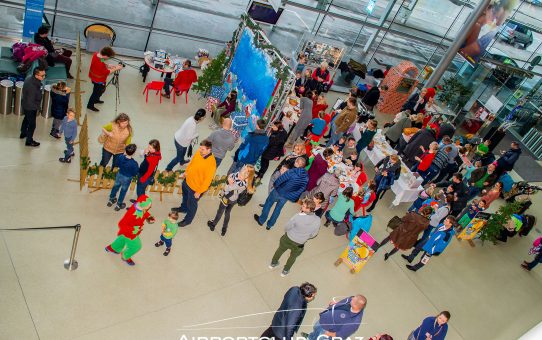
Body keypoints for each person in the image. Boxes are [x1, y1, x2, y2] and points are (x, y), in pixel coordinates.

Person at [269, 198, 321, 276]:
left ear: (308, 209)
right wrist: (305, 237)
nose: (301, 206)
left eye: (303, 206)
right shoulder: (317, 220)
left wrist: (288, 232)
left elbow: (287, 226)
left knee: (280, 250)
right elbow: (314, 234)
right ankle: (285, 271)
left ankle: (273, 263)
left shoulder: (298, 216)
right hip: (300, 243)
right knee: (293, 257)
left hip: (288, 238)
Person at [255, 157, 308, 230]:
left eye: (295, 162)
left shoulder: (292, 171)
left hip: (278, 192)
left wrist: (275, 185)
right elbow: (303, 188)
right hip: (287, 196)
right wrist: (293, 195)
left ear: (297, 163)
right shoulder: (306, 176)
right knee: (278, 209)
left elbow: (281, 179)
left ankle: (261, 220)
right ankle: (269, 225)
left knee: (268, 204)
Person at [172, 139, 216, 227]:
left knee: (192, 205)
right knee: (185, 197)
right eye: (200, 148)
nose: (200, 150)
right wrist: (186, 172)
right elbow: (192, 163)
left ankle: (187, 220)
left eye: (202, 149)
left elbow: (207, 181)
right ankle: (183, 208)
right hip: (187, 181)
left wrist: (199, 191)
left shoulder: (211, 163)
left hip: (196, 188)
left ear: (209, 150)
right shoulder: (199, 153)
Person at [105, 194, 156, 266]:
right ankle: (125, 256)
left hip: (130, 231)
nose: (150, 206)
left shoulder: (138, 205)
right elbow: (121, 224)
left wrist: (149, 217)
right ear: (142, 205)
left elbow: (144, 211)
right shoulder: (131, 214)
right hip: (130, 233)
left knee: (122, 238)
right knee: (136, 246)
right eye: (149, 205)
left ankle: (113, 248)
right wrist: (133, 230)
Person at [207, 165, 255, 236]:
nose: (243, 171)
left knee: (220, 211)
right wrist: (230, 178)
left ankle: (213, 224)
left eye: (245, 171)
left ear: (248, 175)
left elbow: (226, 188)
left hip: (227, 198)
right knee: (228, 212)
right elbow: (232, 175)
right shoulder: (245, 179)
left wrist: (229, 182)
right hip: (234, 199)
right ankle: (224, 228)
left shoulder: (241, 183)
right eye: (243, 169)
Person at [87, 46, 124, 111]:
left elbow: (101, 60)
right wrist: (116, 68)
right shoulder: (100, 64)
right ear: (106, 55)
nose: (108, 58)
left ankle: (96, 100)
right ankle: (90, 105)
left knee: (98, 91)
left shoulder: (96, 54)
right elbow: (107, 72)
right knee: (96, 92)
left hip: (94, 77)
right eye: (108, 57)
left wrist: (107, 65)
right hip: (98, 80)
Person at [107, 144, 139, 211]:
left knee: (115, 187)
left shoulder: (120, 157)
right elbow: (135, 172)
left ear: (125, 150)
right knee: (123, 191)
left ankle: (111, 200)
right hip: (127, 178)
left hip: (119, 174)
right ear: (133, 153)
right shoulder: (134, 163)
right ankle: (119, 205)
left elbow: (117, 164)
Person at [20, 67, 45, 147]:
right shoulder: (33, 87)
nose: (44, 77)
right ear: (36, 75)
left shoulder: (29, 78)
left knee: (26, 119)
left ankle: (23, 133)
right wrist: (38, 108)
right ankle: (29, 141)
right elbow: (32, 100)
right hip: (30, 107)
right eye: (42, 75)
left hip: (25, 104)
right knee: (32, 125)